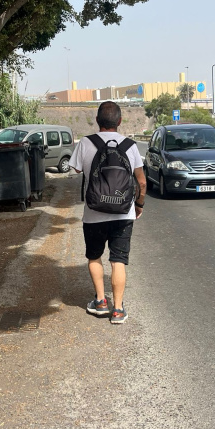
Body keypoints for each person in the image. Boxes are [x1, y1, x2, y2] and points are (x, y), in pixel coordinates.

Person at [68, 101, 147, 324]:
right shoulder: (130, 146)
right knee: (118, 260)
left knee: (94, 256)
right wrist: (139, 205)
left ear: (97, 120)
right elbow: (141, 182)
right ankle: (118, 310)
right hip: (123, 213)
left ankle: (101, 302)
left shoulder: (86, 143)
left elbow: (76, 168)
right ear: (119, 121)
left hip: (93, 213)